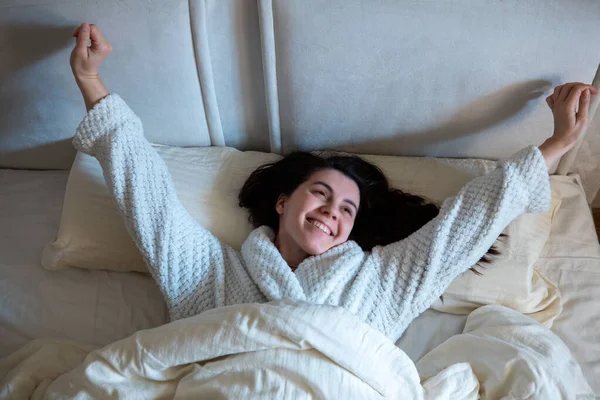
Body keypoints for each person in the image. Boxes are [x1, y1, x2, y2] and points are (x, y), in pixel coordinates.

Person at [70, 22, 597, 342]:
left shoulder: (382, 281)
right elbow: (147, 197)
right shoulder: (210, 275)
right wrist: (91, 81)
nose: (332, 210)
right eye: (320, 193)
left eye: (347, 209)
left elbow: (465, 223)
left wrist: (555, 145)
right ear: (282, 201)